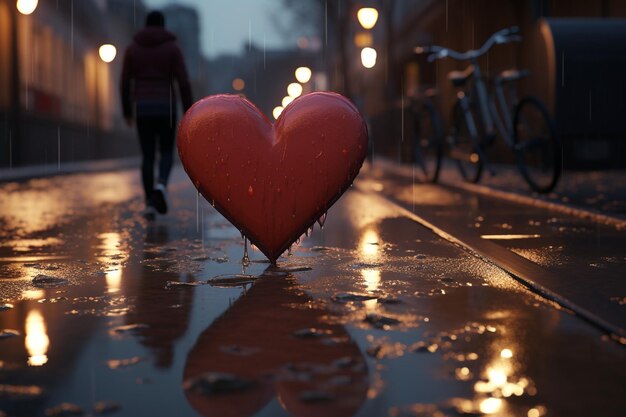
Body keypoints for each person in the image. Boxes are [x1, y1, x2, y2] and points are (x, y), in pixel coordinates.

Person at [121, 10, 193, 219]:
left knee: (148, 155)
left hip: (142, 107)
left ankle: (150, 203)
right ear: (163, 26)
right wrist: (189, 111)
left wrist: (127, 111)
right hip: (165, 107)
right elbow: (183, 81)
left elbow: (125, 82)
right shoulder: (172, 48)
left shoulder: (132, 49)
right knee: (167, 152)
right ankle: (161, 186)